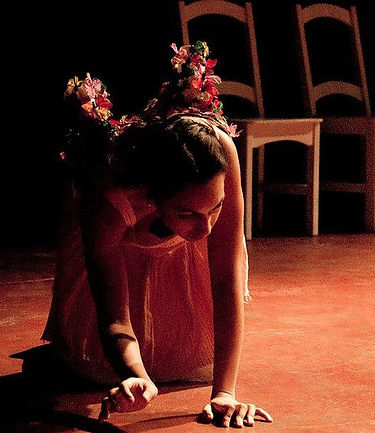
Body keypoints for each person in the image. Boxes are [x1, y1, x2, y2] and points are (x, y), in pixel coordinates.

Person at [42, 41, 273, 428]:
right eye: (187, 213)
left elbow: (225, 279)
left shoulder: (222, 154)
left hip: (176, 256)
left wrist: (224, 393)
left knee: (190, 360)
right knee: (88, 369)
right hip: (119, 253)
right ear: (152, 196)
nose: (206, 229)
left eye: (214, 208)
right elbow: (114, 316)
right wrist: (136, 376)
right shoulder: (113, 194)